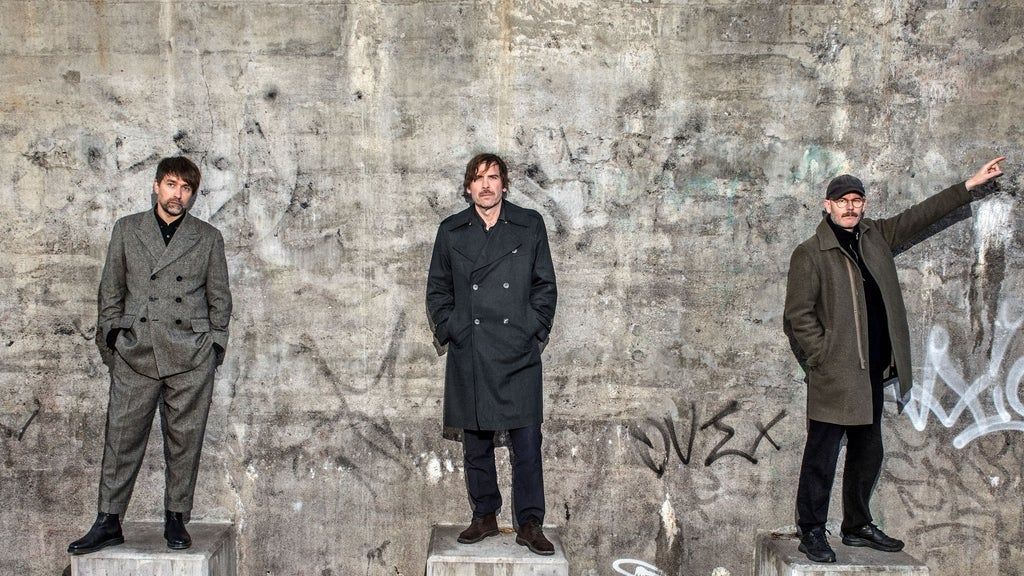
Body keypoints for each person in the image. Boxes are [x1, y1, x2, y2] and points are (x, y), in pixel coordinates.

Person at [783, 156, 1006, 563]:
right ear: (827, 205)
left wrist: (968, 185)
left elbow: (921, 215)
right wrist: (822, 356)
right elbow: (798, 316)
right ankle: (811, 530)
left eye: (856, 200)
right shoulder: (811, 253)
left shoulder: (876, 235)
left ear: (863, 205)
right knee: (822, 456)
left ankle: (856, 526)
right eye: (842, 201)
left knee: (868, 452)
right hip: (835, 375)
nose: (850, 207)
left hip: (871, 372)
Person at [68, 156, 232, 554]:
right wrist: (113, 338)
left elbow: (220, 299)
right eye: (172, 185)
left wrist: (214, 346)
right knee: (121, 438)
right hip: (136, 350)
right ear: (157, 186)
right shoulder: (127, 229)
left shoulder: (207, 237)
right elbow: (110, 291)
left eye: (187, 188)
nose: (178, 195)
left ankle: (176, 517)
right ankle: (108, 521)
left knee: (185, 441)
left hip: (190, 355)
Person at [426, 153, 558, 555]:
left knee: (527, 443)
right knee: (476, 442)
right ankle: (484, 515)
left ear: (504, 184)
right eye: (479, 178)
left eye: (494, 177)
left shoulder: (529, 224)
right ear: (469, 187)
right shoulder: (451, 231)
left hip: (517, 351)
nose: (486, 185)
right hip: (472, 349)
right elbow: (438, 290)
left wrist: (531, 329)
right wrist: (454, 329)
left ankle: (530, 523)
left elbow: (545, 286)